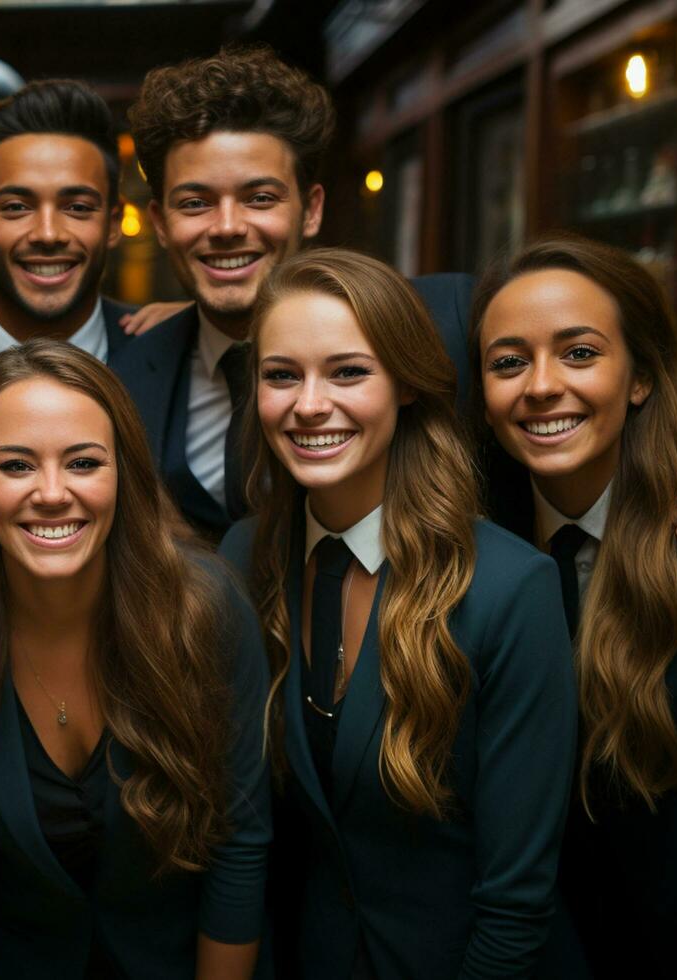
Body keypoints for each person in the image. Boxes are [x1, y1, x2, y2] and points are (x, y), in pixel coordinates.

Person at [118, 45, 677, 542]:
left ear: (312, 208)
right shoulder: (133, 364)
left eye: (260, 197)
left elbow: (634, 398)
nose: (229, 227)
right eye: (196, 202)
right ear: (161, 223)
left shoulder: (445, 317)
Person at [219, 248, 577, 979]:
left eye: (348, 372)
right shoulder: (247, 554)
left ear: (407, 386)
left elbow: (515, 904)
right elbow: (239, 831)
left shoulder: (509, 587)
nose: (309, 404)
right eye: (281, 375)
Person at [0, 341, 271, 979]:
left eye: (84, 462)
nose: (53, 493)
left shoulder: (207, 608)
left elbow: (240, 846)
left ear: (124, 474)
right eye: (16, 466)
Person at [472, 234, 677, 980]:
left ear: (642, 377)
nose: (541, 386)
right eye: (508, 362)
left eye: (581, 353)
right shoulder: (474, 536)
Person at [0, 79, 140, 471]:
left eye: (77, 207)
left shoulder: (172, 357)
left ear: (112, 224)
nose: (48, 234)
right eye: (17, 207)